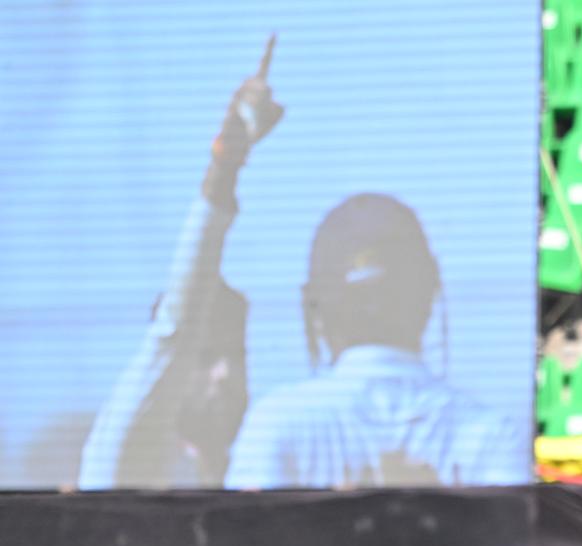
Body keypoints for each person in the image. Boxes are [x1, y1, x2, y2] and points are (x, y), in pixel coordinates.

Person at [77, 40, 278, 488]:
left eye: (236, 356)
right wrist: (225, 166)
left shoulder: (252, 470)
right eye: (207, 358)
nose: (226, 375)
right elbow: (177, 326)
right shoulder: (129, 450)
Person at [224, 189, 526, 488]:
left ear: (315, 308)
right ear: (428, 293)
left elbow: (244, 535)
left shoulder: (274, 425)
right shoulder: (489, 436)